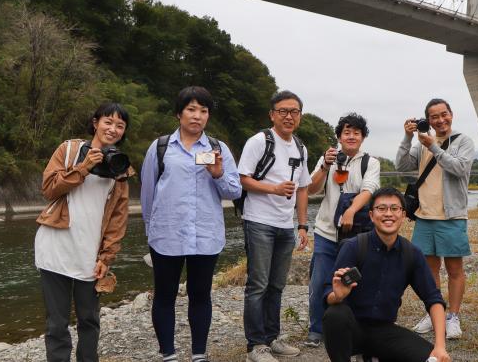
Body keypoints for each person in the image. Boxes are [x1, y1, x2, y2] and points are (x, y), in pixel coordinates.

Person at [140, 86, 242, 362]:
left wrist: (219, 174)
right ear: (179, 113)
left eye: (203, 110)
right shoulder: (160, 147)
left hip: (205, 235)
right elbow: (147, 194)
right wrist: (150, 233)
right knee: (164, 296)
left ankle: (199, 354)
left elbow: (234, 192)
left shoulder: (218, 149)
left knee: (200, 295)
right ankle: (168, 354)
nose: (197, 116)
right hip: (166, 234)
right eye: (191, 109)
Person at [35, 102, 134, 362]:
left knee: (89, 320)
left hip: (90, 256)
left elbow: (117, 219)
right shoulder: (69, 150)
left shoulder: (120, 168)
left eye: (119, 126)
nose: (113, 129)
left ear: (123, 132)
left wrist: (106, 257)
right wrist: (83, 167)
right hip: (55, 248)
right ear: (95, 122)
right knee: (56, 323)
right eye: (108, 122)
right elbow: (48, 189)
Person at [322, 187, 451, 362]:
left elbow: (434, 299)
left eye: (394, 209)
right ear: (371, 215)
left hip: (384, 331)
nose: (388, 214)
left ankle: (372, 357)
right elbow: (328, 295)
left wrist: (440, 347)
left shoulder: (411, 253)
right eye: (381, 209)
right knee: (335, 314)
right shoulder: (354, 247)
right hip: (351, 329)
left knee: (433, 359)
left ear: (404, 215)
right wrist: (337, 296)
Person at [239, 90, 311, 362]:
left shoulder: (301, 147)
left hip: (285, 225)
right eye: (283, 111)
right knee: (258, 284)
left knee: (277, 285)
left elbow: (303, 189)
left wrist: (302, 225)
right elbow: (242, 178)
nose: (289, 116)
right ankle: (255, 346)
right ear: (272, 114)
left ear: (300, 116)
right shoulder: (259, 141)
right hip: (258, 220)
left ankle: (272, 337)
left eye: (294, 111)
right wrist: (274, 188)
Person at [395, 98, 475, 339]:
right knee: (429, 269)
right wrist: (408, 138)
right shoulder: (421, 143)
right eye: (434, 117)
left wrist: (434, 147)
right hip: (424, 216)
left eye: (444, 114)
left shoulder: (464, 141)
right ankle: (434, 311)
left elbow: (459, 168)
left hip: (451, 215)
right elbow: (401, 165)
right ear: (427, 121)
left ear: (451, 114)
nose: (440, 120)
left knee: (454, 269)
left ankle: (453, 316)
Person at [305, 113, 381, 347]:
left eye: (356, 133)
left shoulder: (371, 162)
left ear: (363, 137)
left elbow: (369, 191)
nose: (351, 136)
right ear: (339, 136)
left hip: (357, 235)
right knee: (319, 282)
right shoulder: (327, 158)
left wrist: (350, 211)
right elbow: (311, 189)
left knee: (354, 281)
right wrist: (325, 166)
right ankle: (317, 330)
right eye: (346, 132)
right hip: (326, 231)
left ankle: (352, 328)